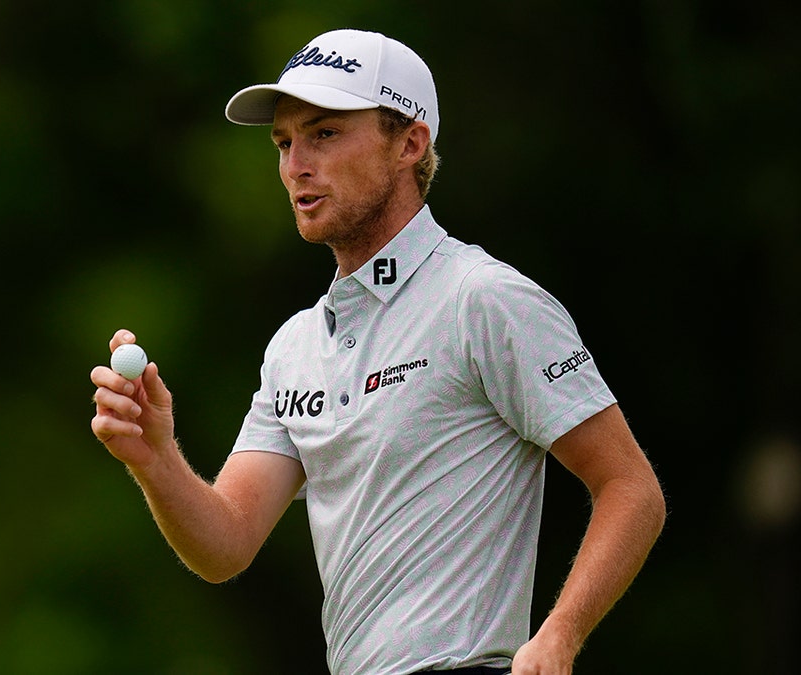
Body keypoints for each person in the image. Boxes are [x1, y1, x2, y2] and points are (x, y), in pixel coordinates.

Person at [90, 28, 665, 675]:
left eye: (324, 134)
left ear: (409, 143)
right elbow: (226, 544)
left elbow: (630, 486)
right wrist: (156, 457)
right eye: (284, 141)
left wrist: (559, 635)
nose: (294, 164)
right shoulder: (295, 347)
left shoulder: (484, 299)